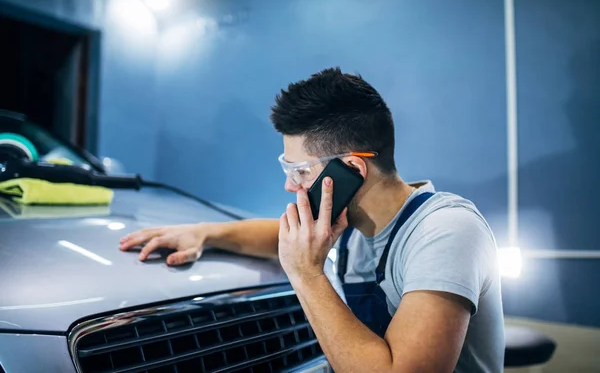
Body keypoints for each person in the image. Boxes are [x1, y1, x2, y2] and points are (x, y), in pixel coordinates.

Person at [120, 67, 504, 372]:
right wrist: (204, 233)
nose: (291, 185)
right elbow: (281, 237)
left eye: (300, 170)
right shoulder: (355, 226)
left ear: (352, 169)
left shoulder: (446, 231)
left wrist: (307, 274)